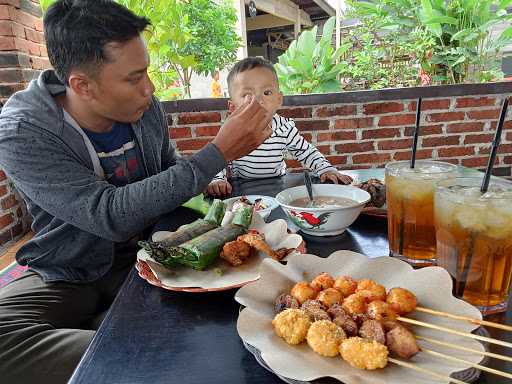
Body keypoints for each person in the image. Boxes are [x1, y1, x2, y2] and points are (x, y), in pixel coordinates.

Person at [0, 1, 272, 383]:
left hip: (149, 254)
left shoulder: (144, 109)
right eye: (134, 78)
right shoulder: (22, 131)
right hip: (66, 270)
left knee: (240, 297)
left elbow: (167, 169)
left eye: (146, 72)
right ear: (81, 85)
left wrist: (206, 183)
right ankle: (138, 349)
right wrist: (218, 153)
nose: (150, 88)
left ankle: (121, 344)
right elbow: (106, 214)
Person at [206, 57, 352, 198]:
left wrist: (325, 169)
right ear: (232, 107)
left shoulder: (284, 127)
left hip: (278, 186)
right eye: (247, 95)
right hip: (241, 187)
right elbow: (220, 157)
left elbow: (306, 151)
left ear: (278, 99)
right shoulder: (232, 130)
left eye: (267, 93)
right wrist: (217, 180)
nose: (258, 100)